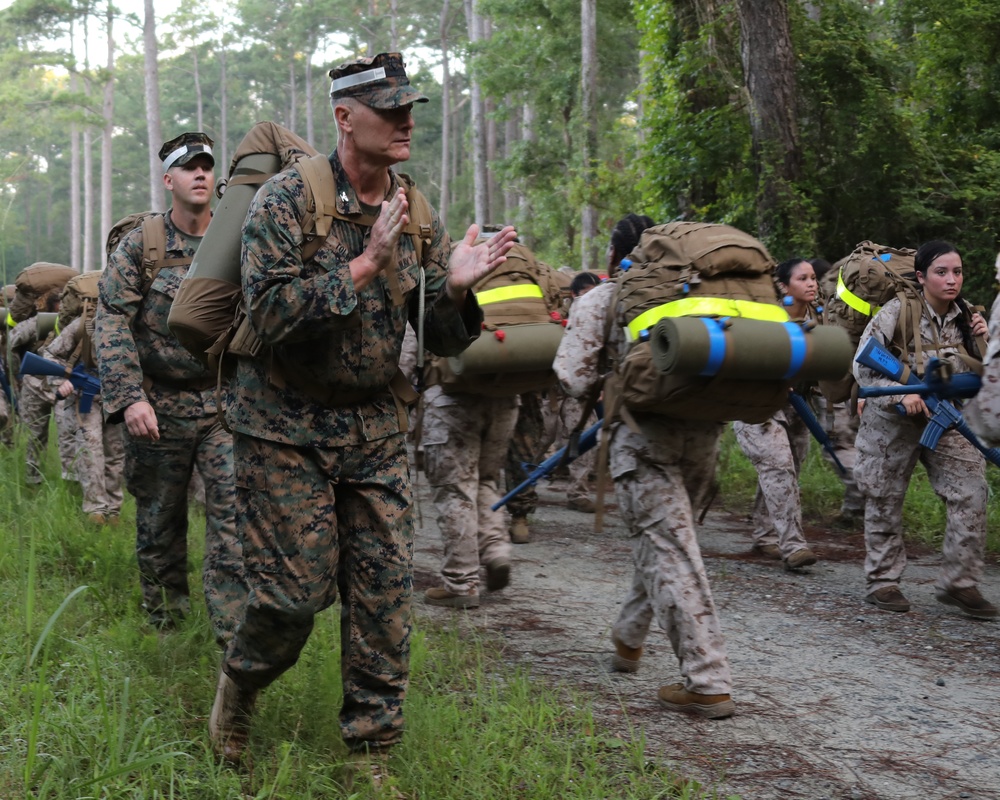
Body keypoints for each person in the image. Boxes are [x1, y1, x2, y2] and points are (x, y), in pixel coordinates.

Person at [209, 52, 516, 764]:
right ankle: (239, 689)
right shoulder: (285, 200)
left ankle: (371, 756)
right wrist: (361, 267)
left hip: (374, 429)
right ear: (346, 117)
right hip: (282, 426)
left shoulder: (415, 209)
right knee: (291, 599)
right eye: (391, 108)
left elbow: (437, 337)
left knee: (382, 600)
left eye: (411, 107)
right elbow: (271, 312)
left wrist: (457, 292)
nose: (407, 119)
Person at [553, 212, 735, 719]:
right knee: (669, 541)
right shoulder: (698, 293)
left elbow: (570, 375)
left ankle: (707, 681)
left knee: (669, 548)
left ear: (617, 255)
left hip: (641, 437)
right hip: (705, 433)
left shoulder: (604, 296)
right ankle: (629, 638)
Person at [94, 132, 245, 644]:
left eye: (206, 165)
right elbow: (112, 318)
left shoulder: (236, 238)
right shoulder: (145, 243)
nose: (200, 174)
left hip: (224, 403)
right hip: (159, 405)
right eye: (188, 168)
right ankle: (166, 624)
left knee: (234, 516)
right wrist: (130, 396)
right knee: (160, 518)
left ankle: (232, 632)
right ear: (169, 180)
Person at [854, 240, 994, 619]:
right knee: (884, 496)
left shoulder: (969, 316)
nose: (952, 280)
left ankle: (960, 582)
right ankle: (883, 581)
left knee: (972, 493)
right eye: (941, 272)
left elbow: (984, 373)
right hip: (892, 422)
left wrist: (986, 340)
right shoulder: (897, 312)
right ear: (921, 276)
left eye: (958, 272)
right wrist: (898, 395)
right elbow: (863, 366)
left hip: (947, 417)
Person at [732, 258, 819, 571]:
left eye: (813, 278)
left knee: (786, 468)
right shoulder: (766, 317)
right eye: (803, 279)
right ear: (784, 286)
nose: (811, 284)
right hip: (756, 405)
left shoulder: (818, 317)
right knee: (778, 466)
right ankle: (794, 546)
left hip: (798, 406)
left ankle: (765, 533)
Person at [43, 311, 125, 526]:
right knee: (90, 450)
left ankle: (114, 510)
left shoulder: (132, 323)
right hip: (84, 397)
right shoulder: (82, 325)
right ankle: (96, 510)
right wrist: (62, 380)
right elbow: (50, 354)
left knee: (115, 453)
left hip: (116, 398)